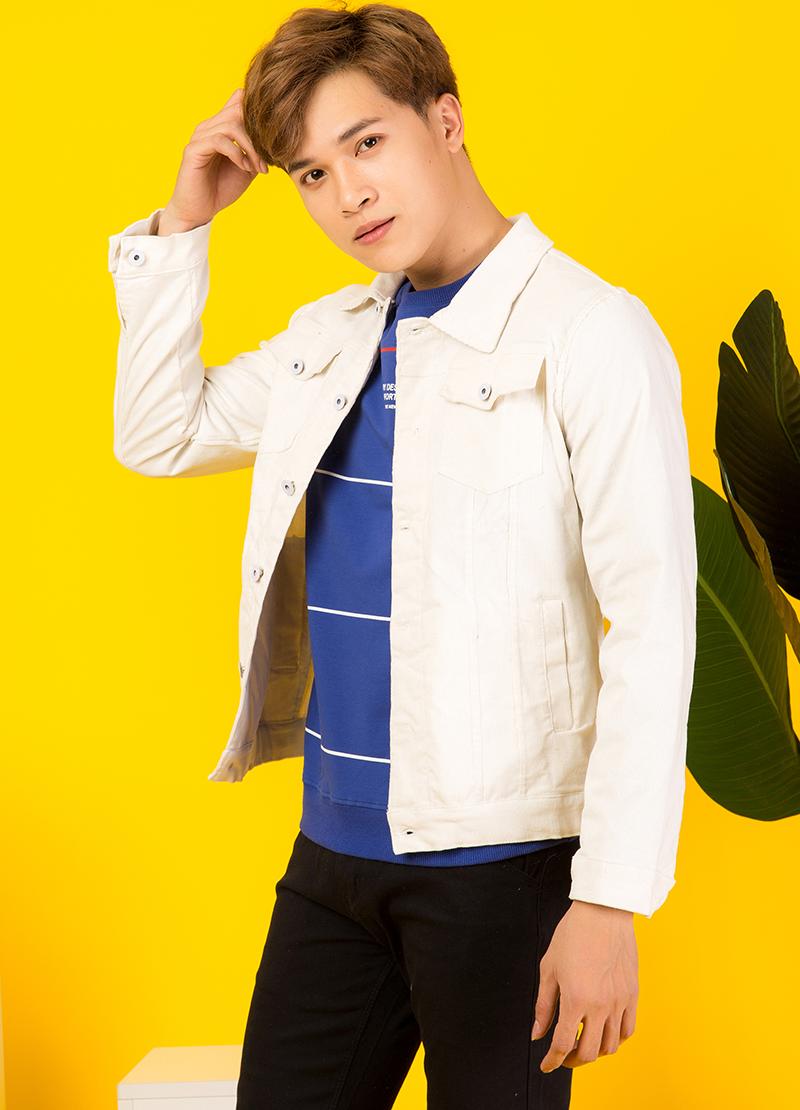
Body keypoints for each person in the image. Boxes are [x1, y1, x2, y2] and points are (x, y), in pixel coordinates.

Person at [107, 4, 697, 1107]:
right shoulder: (329, 341)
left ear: (447, 120)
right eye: (310, 174)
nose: (348, 196)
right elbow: (157, 433)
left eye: (366, 143)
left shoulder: (589, 333)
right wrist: (185, 223)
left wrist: (609, 901)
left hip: (503, 874)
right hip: (332, 862)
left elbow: (655, 626)